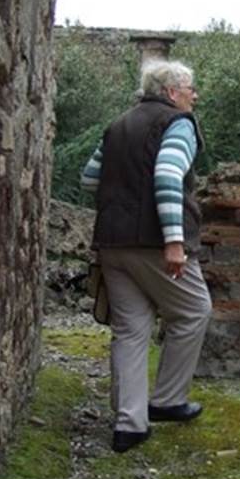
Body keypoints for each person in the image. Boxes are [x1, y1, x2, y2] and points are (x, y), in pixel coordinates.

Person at [81, 60, 212, 452]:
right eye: (190, 88)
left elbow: (89, 179)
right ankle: (168, 400)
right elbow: (169, 176)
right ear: (172, 92)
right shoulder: (177, 124)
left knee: (130, 329)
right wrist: (174, 241)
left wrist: (123, 203)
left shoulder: (119, 124)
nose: (195, 95)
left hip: (111, 244)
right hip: (155, 244)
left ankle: (129, 424)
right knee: (194, 311)